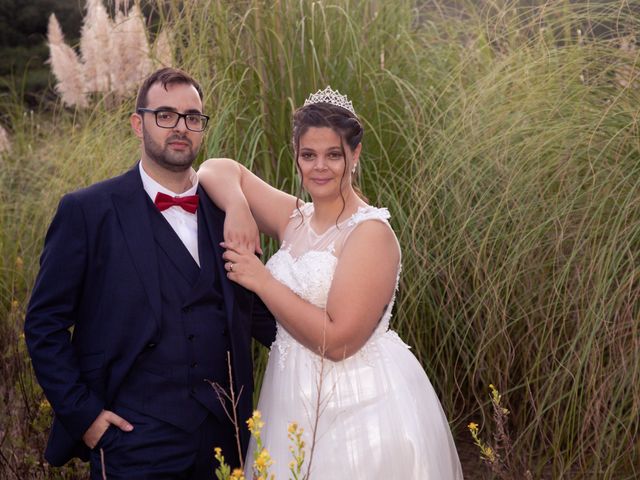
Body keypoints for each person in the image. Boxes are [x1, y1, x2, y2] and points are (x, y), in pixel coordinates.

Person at [198, 87, 463, 478]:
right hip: (289, 398)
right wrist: (239, 207)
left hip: (360, 405)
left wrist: (262, 280)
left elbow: (338, 342)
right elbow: (215, 169)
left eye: (333, 155)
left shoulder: (370, 232)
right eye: (309, 155)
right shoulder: (294, 218)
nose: (320, 167)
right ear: (297, 156)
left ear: (354, 155)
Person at [24, 67, 275, 479]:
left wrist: (334, 340)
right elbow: (43, 324)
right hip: (131, 439)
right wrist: (86, 418)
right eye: (165, 115)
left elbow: (261, 317)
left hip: (225, 439)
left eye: (193, 117)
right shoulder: (88, 212)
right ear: (137, 124)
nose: (181, 127)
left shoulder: (227, 213)